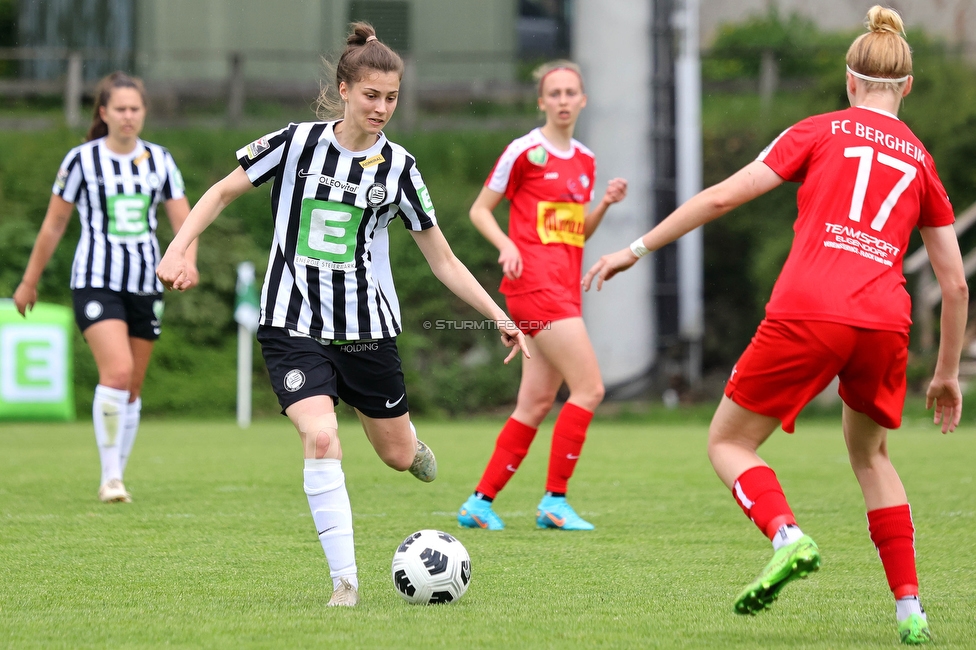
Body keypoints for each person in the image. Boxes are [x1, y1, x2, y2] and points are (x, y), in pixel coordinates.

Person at [583, 7, 966, 645]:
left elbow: (721, 197)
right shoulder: (923, 163)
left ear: (849, 82)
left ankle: (787, 535)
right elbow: (954, 284)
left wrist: (635, 250)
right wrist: (947, 373)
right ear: (907, 86)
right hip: (883, 321)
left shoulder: (818, 131)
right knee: (871, 457)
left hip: (809, 309)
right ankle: (910, 611)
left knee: (728, 443)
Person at [155, 23, 528, 608]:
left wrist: (495, 313)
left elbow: (442, 258)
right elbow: (222, 192)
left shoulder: (400, 168)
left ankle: (412, 446)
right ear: (345, 89)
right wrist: (179, 246)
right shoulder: (294, 143)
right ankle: (344, 583)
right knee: (322, 436)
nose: (382, 108)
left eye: (393, 97)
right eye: (372, 95)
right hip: (293, 325)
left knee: (397, 456)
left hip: (366, 332)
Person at [456, 60, 627, 532]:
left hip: (564, 289)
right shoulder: (524, 152)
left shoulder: (586, 161)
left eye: (572, 92)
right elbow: (480, 211)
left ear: (583, 99)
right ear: (542, 101)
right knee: (590, 389)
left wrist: (604, 206)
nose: (564, 100)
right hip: (536, 288)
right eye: (555, 93)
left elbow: (575, 234)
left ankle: (479, 502)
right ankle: (555, 500)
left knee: (533, 405)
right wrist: (507, 244)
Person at [13, 71, 197, 504]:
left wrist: (187, 262)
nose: (129, 116)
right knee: (114, 374)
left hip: (146, 284)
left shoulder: (160, 160)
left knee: (132, 386)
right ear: (103, 113)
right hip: (95, 280)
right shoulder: (81, 160)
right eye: (120, 109)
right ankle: (111, 478)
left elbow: (185, 221)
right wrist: (29, 281)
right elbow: (55, 223)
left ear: (144, 113)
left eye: (135, 109)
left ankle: (118, 473)